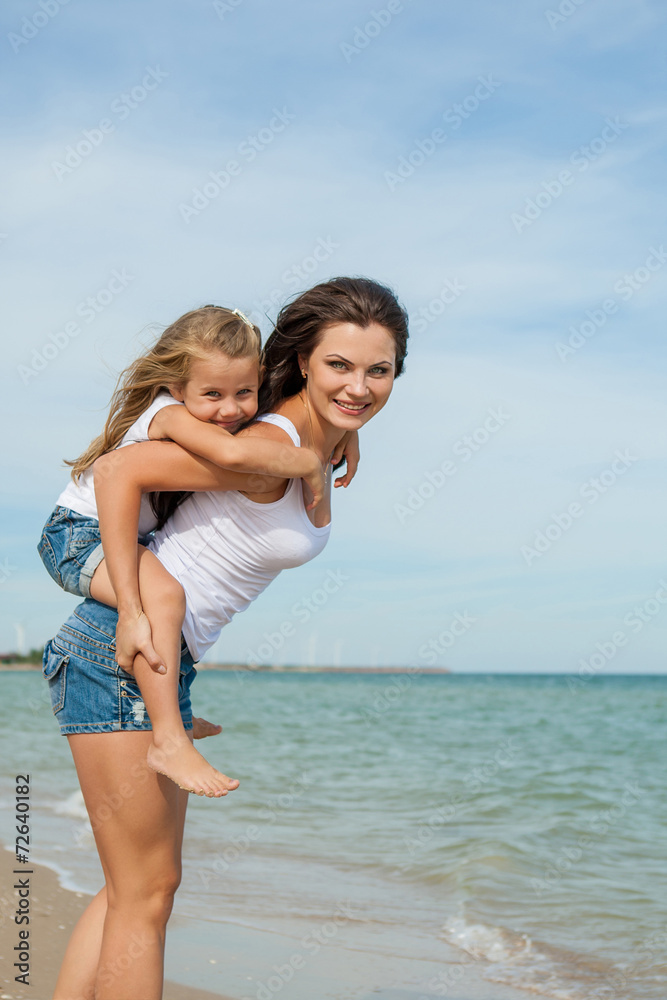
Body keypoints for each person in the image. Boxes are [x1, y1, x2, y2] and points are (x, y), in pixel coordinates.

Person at [43, 277, 409, 1000]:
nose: (360, 385)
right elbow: (120, 469)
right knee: (145, 896)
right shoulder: (267, 449)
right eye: (339, 365)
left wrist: (335, 443)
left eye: (379, 370)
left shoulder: (305, 446)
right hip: (117, 649)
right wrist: (307, 453)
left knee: (133, 891)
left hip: (151, 662)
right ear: (302, 361)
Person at [37, 304, 337, 797]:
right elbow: (234, 455)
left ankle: (168, 707)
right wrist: (308, 460)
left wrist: (346, 437)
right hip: (74, 535)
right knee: (166, 599)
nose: (231, 409)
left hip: (118, 538)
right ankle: (169, 738)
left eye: (246, 392)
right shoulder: (170, 413)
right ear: (177, 387)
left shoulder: (210, 413)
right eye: (213, 394)